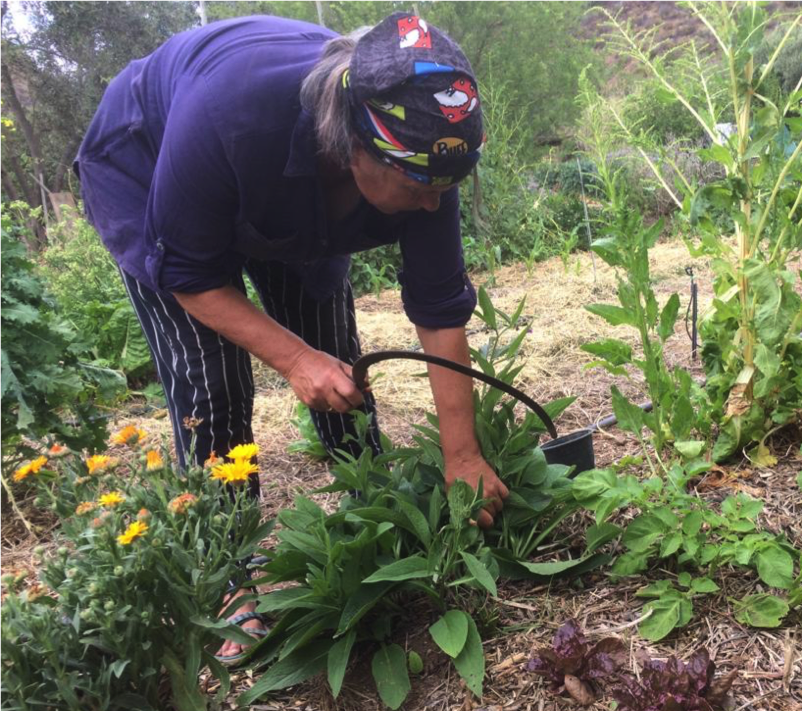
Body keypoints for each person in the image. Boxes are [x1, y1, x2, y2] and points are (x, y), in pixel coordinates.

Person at [75, 13, 508, 662]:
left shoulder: (424, 155)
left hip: (280, 176)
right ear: (356, 146)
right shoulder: (233, 116)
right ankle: (225, 576)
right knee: (211, 377)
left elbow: (439, 308)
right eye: (420, 189)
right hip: (154, 162)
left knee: (329, 336)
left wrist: (463, 456)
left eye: (445, 188)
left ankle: (374, 504)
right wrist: (292, 359)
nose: (431, 206)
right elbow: (192, 276)